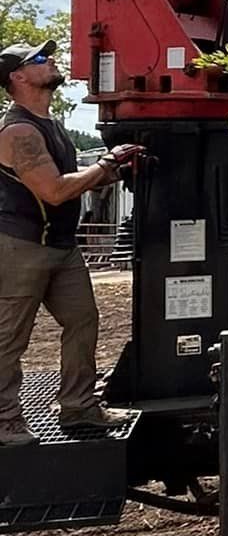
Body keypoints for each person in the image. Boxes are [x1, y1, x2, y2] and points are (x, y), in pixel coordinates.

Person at [0, 41, 142, 447]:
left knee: (83, 321)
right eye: (39, 60)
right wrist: (107, 164)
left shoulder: (50, 125)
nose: (51, 62)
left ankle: (78, 405)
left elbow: (73, 176)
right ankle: (5, 421)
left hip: (61, 247)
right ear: (18, 77)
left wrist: (111, 172)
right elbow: (56, 191)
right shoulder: (19, 131)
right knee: (10, 338)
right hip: (21, 248)